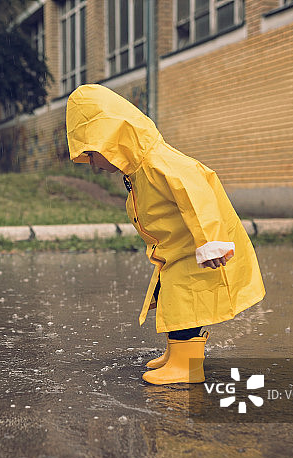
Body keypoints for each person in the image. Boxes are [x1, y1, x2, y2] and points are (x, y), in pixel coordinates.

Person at [65, 84, 265, 385]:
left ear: (112, 140)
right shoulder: (138, 169)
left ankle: (187, 366)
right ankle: (177, 355)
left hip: (194, 250)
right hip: (177, 251)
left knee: (186, 305)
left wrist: (210, 243)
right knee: (174, 301)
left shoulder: (158, 163)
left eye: (92, 153)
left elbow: (197, 197)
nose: (92, 164)